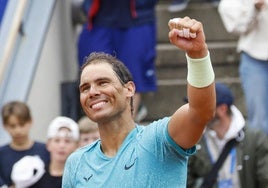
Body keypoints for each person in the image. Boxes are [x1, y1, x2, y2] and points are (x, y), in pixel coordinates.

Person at [62, 16, 216, 187]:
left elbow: (201, 112)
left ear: (129, 89)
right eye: (85, 88)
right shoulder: (76, 163)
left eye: (102, 82)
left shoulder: (158, 140)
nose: (92, 92)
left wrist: (198, 55)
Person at [76, 0, 159, 122]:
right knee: (92, 74)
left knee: (132, 78)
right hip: (98, 16)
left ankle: (127, 132)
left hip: (137, 17)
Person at [187, 82, 268, 188]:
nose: (195, 112)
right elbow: (185, 179)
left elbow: (265, 180)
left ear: (222, 109)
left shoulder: (255, 139)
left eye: (201, 106)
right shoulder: (194, 138)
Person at [218, 0, 268, 135]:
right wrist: (255, 9)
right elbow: (236, 27)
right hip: (255, 58)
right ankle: (262, 155)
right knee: (259, 121)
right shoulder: (229, 3)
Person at [13, 116, 79, 188]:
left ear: (76, 146)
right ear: (48, 144)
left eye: (67, 141)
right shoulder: (34, 173)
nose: (62, 146)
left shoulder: (81, 177)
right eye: (57, 140)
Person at [0, 101, 50, 187]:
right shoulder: (1, 154)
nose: (18, 130)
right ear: (5, 126)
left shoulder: (46, 150)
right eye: (12, 126)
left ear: (30, 122)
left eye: (22, 124)